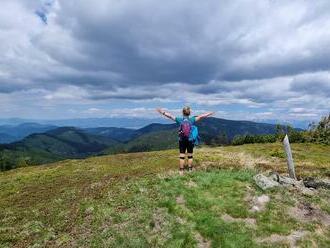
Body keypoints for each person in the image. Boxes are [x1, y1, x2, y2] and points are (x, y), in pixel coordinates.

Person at [156, 106, 214, 175]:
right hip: (190, 140)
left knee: (182, 156)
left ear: (182, 113)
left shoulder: (180, 120)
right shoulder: (192, 120)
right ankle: (190, 169)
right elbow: (201, 116)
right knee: (190, 156)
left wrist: (162, 112)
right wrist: (209, 113)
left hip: (182, 140)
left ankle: (181, 171)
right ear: (189, 113)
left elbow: (170, 116)